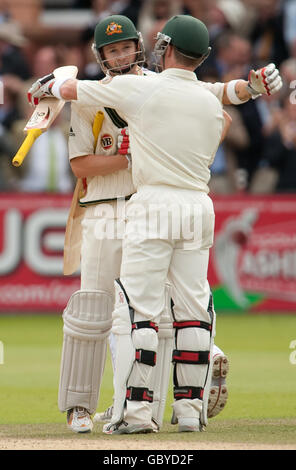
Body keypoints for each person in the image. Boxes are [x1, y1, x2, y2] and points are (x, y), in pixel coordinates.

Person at [28, 15, 282, 434]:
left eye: (130, 46)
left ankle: (136, 412)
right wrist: (254, 86)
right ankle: (188, 410)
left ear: (162, 48)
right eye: (112, 49)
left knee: (138, 311)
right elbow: (229, 94)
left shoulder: (143, 86)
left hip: (151, 204)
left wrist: (48, 85)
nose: (123, 54)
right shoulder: (202, 92)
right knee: (193, 310)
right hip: (195, 206)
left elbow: (70, 89)